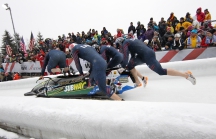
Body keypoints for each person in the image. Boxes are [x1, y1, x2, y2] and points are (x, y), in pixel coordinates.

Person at [114, 37, 196, 87]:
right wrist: (125, 66)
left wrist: (122, 67)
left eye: (118, 46)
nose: (119, 48)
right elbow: (131, 56)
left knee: (161, 71)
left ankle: (186, 75)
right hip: (143, 54)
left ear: (120, 42)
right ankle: (140, 80)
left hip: (147, 56)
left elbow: (125, 56)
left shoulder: (125, 43)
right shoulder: (129, 41)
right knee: (130, 65)